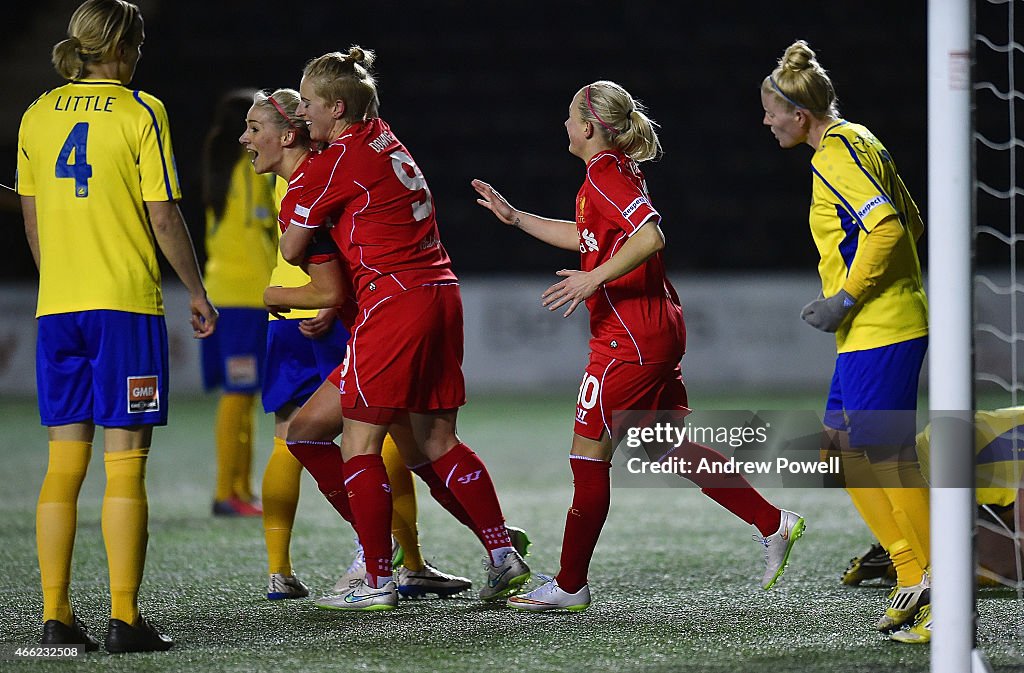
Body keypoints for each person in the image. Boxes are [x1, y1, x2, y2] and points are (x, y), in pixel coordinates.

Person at [472, 80, 804, 613]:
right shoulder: (614, 173)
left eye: (568, 117)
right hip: (653, 328)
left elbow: (651, 236)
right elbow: (587, 237)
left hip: (628, 339)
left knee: (589, 456)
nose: (563, 126)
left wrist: (590, 280)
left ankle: (569, 583)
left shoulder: (604, 176)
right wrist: (517, 218)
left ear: (585, 127)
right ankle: (772, 522)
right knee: (665, 445)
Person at [279, 46, 530, 611]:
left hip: (392, 305)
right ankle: (500, 553)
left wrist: (281, 276)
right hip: (439, 293)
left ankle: (375, 577)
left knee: (361, 442)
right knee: (409, 439)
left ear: (337, 108)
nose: (304, 116)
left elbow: (293, 247)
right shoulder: (384, 136)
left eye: (312, 104)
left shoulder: (336, 161)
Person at [16, 0, 217, 653]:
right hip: (125, 308)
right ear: (124, 46)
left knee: (63, 464)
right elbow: (162, 216)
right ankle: (125, 619)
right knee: (124, 466)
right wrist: (196, 289)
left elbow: (33, 217)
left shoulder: (36, 113)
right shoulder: (141, 111)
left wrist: (62, 282)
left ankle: (55, 619)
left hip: (58, 310)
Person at [242, 86, 481, 603]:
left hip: (334, 312)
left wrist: (282, 293)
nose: (246, 138)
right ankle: (391, 558)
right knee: (366, 436)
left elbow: (325, 269)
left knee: (326, 435)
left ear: (288, 135)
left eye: (255, 128)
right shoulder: (327, 163)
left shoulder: (312, 175)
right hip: (331, 311)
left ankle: (368, 566)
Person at [760, 40, 931, 641]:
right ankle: (912, 573)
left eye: (771, 111)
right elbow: (911, 217)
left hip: (882, 326)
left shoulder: (832, 155)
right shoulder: (862, 138)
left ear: (798, 114)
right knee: (837, 446)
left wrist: (848, 297)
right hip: (874, 328)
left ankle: (936, 587)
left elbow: (885, 226)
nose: (767, 121)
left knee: (886, 457)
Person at [201, 89, 278, 517]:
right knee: (238, 394)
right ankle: (227, 492)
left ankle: (238, 490)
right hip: (247, 296)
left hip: (226, 293)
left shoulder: (218, 168)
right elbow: (269, 230)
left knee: (241, 394)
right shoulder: (251, 174)